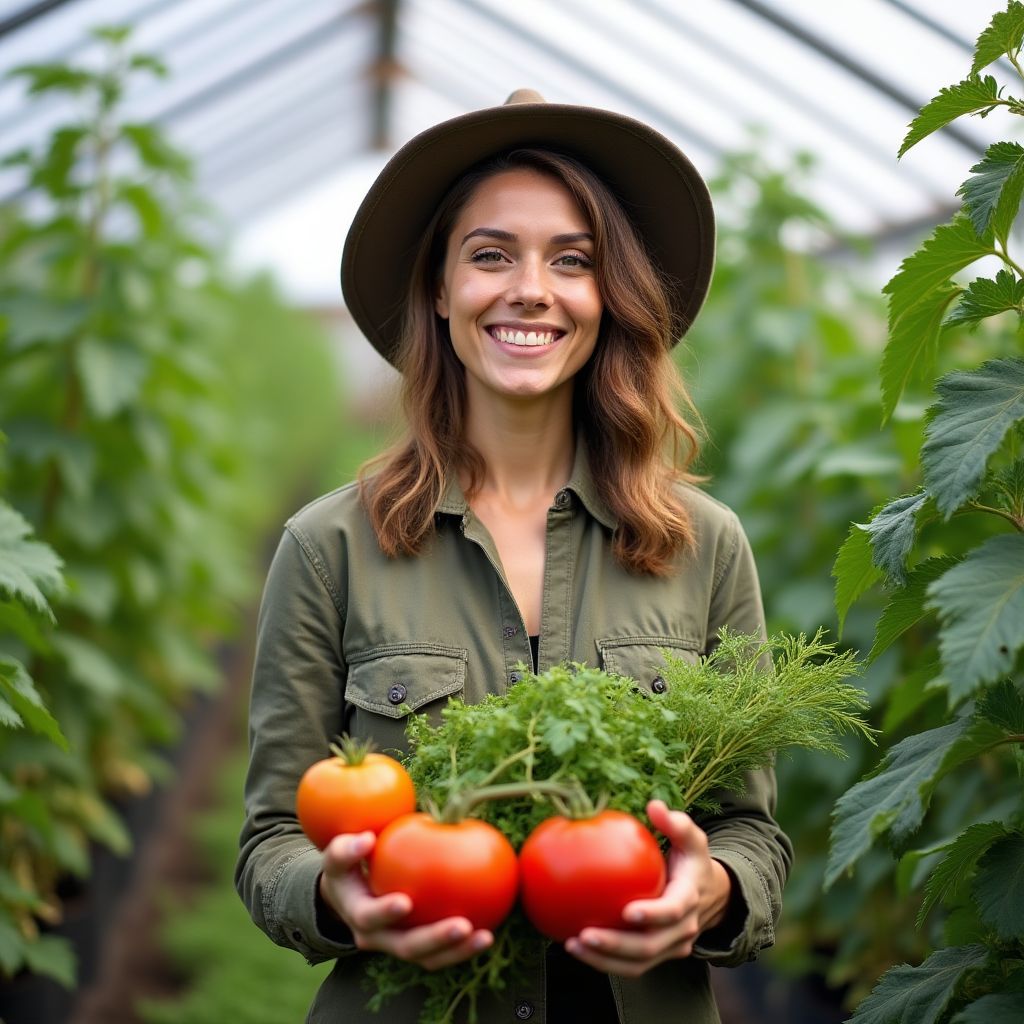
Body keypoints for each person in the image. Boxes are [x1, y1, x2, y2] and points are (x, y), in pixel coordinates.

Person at [236, 88, 793, 1024]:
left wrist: (715, 891)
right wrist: (337, 898)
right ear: (441, 292)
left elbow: (753, 832)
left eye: (572, 261)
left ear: (609, 299)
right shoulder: (329, 548)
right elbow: (268, 842)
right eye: (490, 254)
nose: (530, 288)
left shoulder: (706, 546)